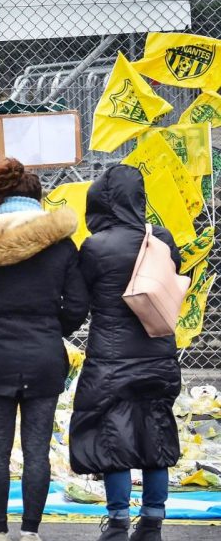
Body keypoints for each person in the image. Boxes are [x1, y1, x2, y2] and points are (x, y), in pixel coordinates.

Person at [0, 157, 89, 541]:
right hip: (44, 357)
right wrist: (51, 329)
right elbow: (78, 304)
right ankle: (30, 531)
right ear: (36, 197)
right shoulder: (59, 244)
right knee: (37, 450)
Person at [69, 165, 182, 541]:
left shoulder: (96, 246)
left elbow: (79, 300)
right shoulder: (161, 239)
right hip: (159, 353)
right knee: (156, 434)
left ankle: (117, 521)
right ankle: (152, 522)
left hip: (110, 358)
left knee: (111, 436)